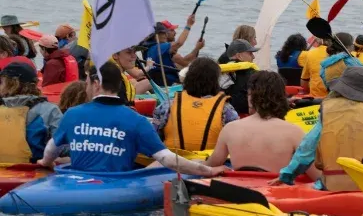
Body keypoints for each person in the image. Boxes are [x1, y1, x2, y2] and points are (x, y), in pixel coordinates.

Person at [38, 61, 224, 176]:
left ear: (96, 84)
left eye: (87, 83)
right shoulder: (137, 120)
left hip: (76, 184)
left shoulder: (72, 114)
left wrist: (45, 163)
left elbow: (52, 149)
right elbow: (167, 159)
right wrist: (208, 170)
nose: (85, 88)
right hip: (117, 187)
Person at [206, 71, 306, 172]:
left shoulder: (230, 129)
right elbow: (317, 176)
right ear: (282, 98)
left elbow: (210, 166)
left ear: (252, 98)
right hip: (274, 186)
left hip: (239, 186)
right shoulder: (295, 132)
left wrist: (197, 162)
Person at [154, 57, 239, 152]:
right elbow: (235, 141)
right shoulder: (226, 109)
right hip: (210, 163)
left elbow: (154, 136)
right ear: (215, 82)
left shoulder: (167, 105)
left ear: (187, 79)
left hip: (174, 161)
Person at [0, 61, 63, 164]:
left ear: (12, 83)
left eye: (1, 82)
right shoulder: (50, 110)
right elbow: (62, 146)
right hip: (36, 173)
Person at [219, 39, 259, 115]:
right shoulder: (254, 75)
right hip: (247, 118)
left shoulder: (218, 73)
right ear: (239, 56)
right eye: (250, 53)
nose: (253, 57)